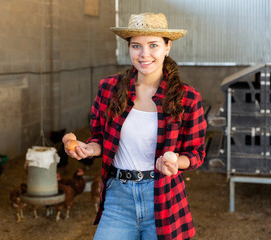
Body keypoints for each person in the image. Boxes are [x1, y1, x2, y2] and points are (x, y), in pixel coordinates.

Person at [64, 12, 207, 240]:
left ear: (167, 47)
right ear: (128, 48)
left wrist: (175, 161)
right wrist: (88, 149)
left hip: (163, 196)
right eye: (136, 46)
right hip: (118, 197)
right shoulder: (109, 88)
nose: (144, 54)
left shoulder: (187, 98)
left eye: (153, 45)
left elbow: (196, 152)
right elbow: (100, 137)